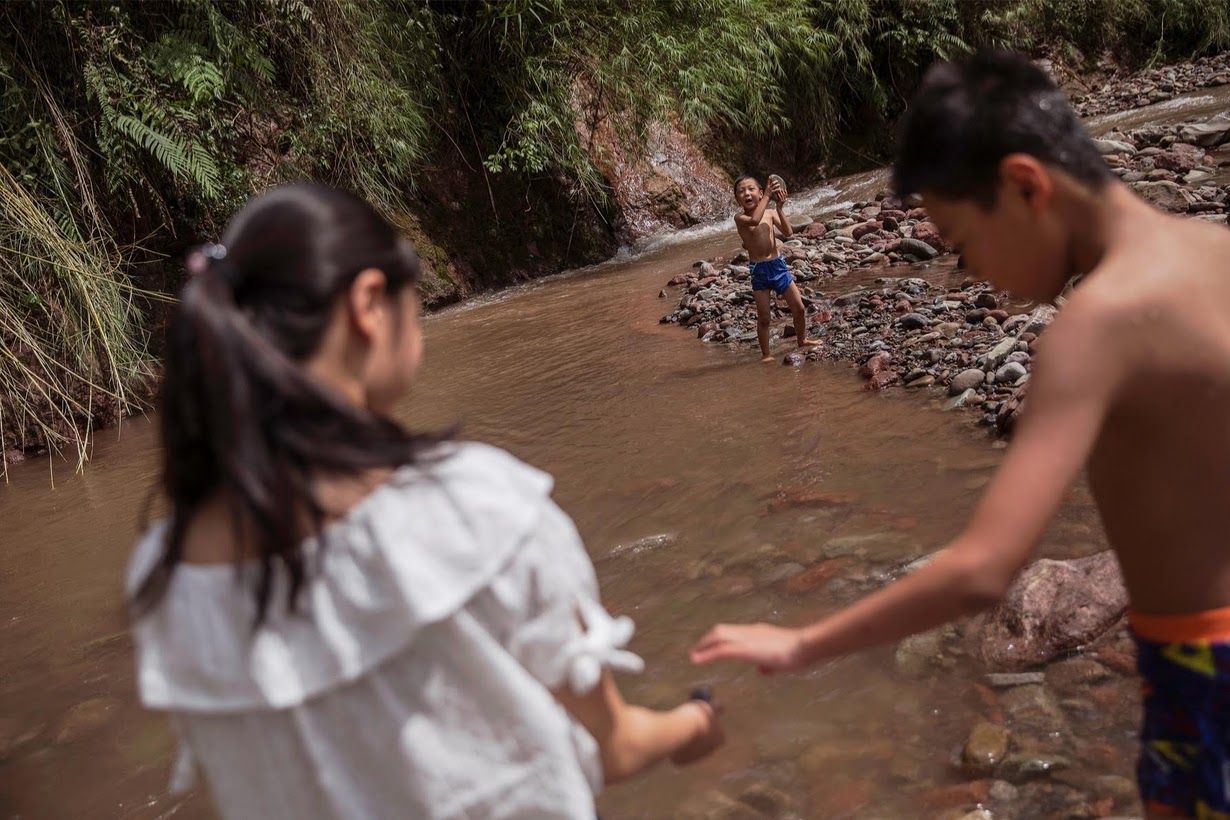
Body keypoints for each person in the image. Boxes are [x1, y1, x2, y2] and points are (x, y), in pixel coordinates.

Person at [694, 50, 1230, 819]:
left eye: (962, 242)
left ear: (1024, 185)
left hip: (1206, 672)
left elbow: (984, 569)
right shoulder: (1215, 249)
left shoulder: (1095, 327)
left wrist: (800, 646)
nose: (975, 272)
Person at [127, 182, 722, 820]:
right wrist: (697, 721)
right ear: (368, 304)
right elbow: (616, 748)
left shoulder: (166, 578)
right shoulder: (474, 507)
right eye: (415, 305)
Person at [732, 174, 822, 361]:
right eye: (741, 191)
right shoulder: (740, 217)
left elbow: (788, 232)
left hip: (778, 266)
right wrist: (768, 197)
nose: (746, 193)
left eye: (751, 189)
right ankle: (766, 354)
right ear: (737, 199)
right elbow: (754, 221)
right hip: (759, 271)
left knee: (798, 308)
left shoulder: (770, 213)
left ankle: (802, 339)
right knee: (764, 317)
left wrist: (779, 208)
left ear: (760, 193)